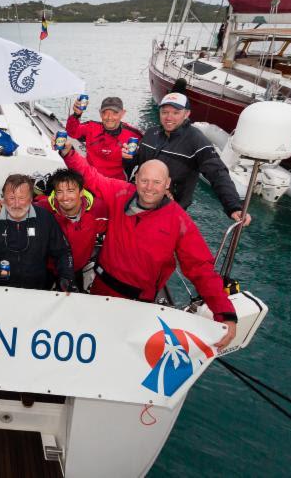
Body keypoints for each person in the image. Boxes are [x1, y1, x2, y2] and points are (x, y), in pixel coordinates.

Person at [60, 139, 237, 350]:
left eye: (156, 182)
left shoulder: (179, 220)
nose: (149, 188)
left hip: (138, 306)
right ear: (136, 180)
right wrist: (69, 153)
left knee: (120, 351)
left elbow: (200, 268)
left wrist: (225, 313)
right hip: (101, 290)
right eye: (144, 181)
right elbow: (92, 178)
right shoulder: (119, 193)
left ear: (167, 184)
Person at [123, 92, 251, 224]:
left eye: (176, 112)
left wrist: (233, 206)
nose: (169, 117)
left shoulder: (197, 141)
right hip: (140, 200)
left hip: (171, 209)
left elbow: (217, 173)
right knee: (126, 234)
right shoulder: (151, 133)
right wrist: (127, 159)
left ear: (187, 114)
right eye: (165, 112)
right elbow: (136, 164)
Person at [0, 169, 108, 291]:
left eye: (70, 191)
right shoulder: (44, 207)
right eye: (59, 192)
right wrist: (1, 202)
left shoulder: (98, 210)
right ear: (55, 194)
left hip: (74, 270)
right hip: (45, 268)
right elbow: (21, 204)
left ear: (81, 192)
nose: (65, 197)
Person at [0, 174, 75, 292]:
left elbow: (63, 252)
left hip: (36, 292)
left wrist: (66, 277)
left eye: (21, 198)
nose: (16, 204)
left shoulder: (45, 218)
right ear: (3, 198)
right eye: (11, 198)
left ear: (31, 199)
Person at [65, 96, 142, 180]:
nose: (109, 117)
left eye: (114, 113)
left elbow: (146, 157)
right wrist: (76, 114)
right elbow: (71, 132)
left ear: (123, 113)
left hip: (117, 184)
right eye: (105, 113)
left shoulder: (134, 135)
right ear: (100, 113)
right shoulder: (91, 127)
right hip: (90, 178)